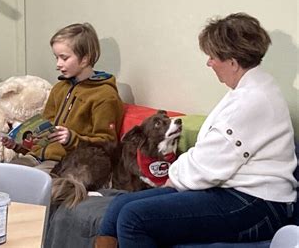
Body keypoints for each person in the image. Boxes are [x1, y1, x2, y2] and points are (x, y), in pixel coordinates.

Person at [96, 13, 297, 248]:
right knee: (118, 207)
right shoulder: (249, 90)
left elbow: (209, 165)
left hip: (258, 205)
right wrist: (177, 176)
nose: (209, 63)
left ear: (232, 62)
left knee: (133, 218)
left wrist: (173, 178)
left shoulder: (252, 101)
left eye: (212, 57)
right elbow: (209, 153)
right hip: (233, 191)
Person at [1, 22, 124, 173]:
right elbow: (43, 134)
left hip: (67, 163)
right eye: (56, 57)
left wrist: (72, 139)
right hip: (36, 157)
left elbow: (108, 145)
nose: (58, 64)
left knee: (29, 182)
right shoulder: (59, 89)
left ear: (85, 59)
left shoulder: (105, 96)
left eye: (64, 58)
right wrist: (18, 144)